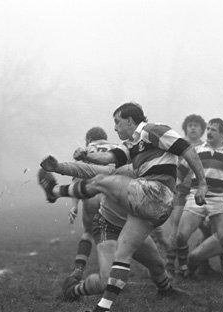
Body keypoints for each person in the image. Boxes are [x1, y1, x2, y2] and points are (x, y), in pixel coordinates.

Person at [38, 102, 207, 312]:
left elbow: (184, 148)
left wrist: (201, 182)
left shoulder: (151, 134)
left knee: (103, 181)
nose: (115, 128)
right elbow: (94, 165)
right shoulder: (128, 153)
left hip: (149, 199)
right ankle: (81, 294)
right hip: (111, 223)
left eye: (117, 122)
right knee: (132, 268)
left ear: (130, 120)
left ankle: (54, 192)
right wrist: (65, 164)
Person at [40, 156, 185, 302]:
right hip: (108, 226)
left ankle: (166, 291)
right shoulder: (124, 168)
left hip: (132, 227)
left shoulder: (162, 174)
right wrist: (59, 167)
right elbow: (88, 169)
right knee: (106, 281)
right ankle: (72, 291)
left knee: (158, 266)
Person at [176, 118, 223, 281]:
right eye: (208, 129)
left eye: (214, 130)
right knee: (181, 236)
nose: (209, 132)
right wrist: (175, 189)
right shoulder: (196, 150)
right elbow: (180, 171)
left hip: (219, 199)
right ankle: (184, 269)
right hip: (196, 196)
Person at [67, 126, 119, 280]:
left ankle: (78, 269)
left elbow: (77, 178)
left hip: (92, 194)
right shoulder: (116, 148)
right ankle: (115, 272)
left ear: (89, 139)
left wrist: (74, 206)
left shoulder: (84, 150)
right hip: (113, 192)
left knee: (88, 233)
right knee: (117, 234)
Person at [166, 114, 207, 275]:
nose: (193, 127)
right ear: (185, 128)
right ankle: (170, 263)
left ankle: (203, 263)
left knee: (206, 228)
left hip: (199, 193)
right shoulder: (178, 144)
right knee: (176, 227)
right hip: (180, 190)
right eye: (190, 125)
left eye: (197, 125)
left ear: (202, 129)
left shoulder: (206, 147)